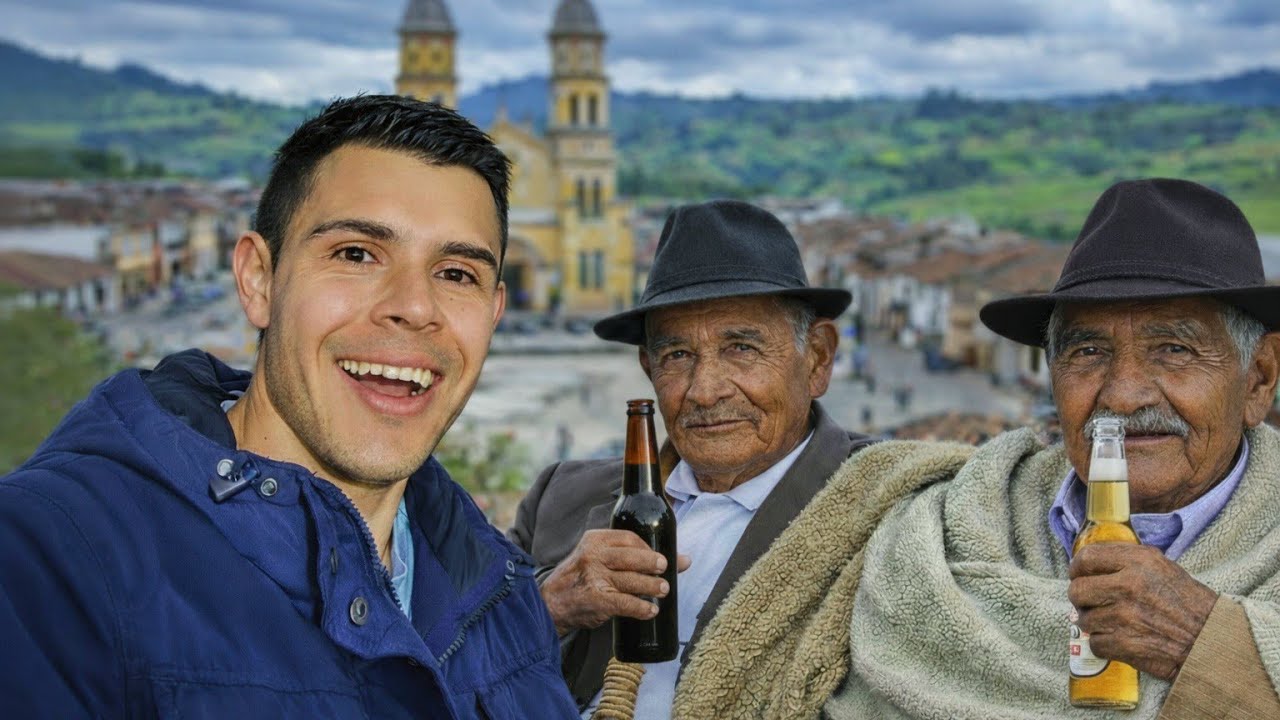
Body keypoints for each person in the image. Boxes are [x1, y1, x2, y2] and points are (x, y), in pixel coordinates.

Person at [0, 95, 578, 719]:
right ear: (259, 281)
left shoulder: (504, 595)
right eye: (356, 254)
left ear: (493, 313)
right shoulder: (53, 558)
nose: (415, 307)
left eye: (457, 273)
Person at [673, 178, 1280, 719]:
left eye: (1173, 349)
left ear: (1258, 379)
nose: (1120, 395)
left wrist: (1208, 640)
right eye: (1087, 352)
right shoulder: (940, 528)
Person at [506, 199, 876, 717]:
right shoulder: (561, 497)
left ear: (817, 358)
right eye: (677, 356)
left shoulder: (884, 509)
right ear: (648, 367)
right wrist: (550, 608)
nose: (704, 391)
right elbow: (445, 662)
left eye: (742, 348)